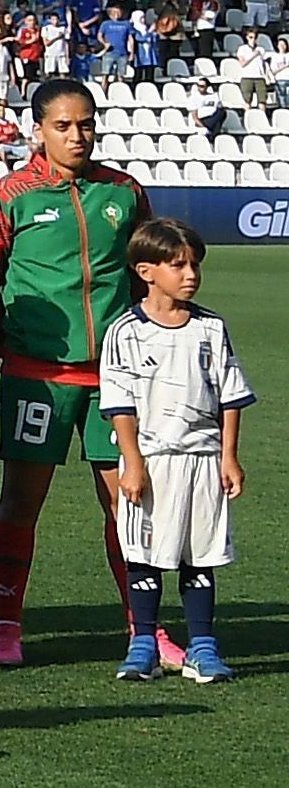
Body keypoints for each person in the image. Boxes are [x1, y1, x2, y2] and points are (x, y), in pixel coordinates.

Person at [0, 80, 145, 671]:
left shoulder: (122, 192)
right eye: (64, 126)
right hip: (37, 377)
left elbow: (145, 271)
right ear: (37, 129)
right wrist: (7, 342)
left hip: (115, 379)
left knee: (128, 502)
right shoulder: (9, 197)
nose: (77, 136)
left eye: (86, 124)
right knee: (22, 500)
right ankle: (4, 626)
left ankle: (142, 627)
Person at [94, 216, 244, 687]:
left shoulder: (211, 328)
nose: (190, 274)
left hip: (202, 458)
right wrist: (132, 464)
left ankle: (202, 645)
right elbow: (120, 404)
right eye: (177, 265)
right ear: (146, 271)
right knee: (143, 552)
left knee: (199, 555)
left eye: (194, 264)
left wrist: (229, 455)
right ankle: (144, 645)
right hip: (152, 461)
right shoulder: (126, 331)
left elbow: (230, 396)